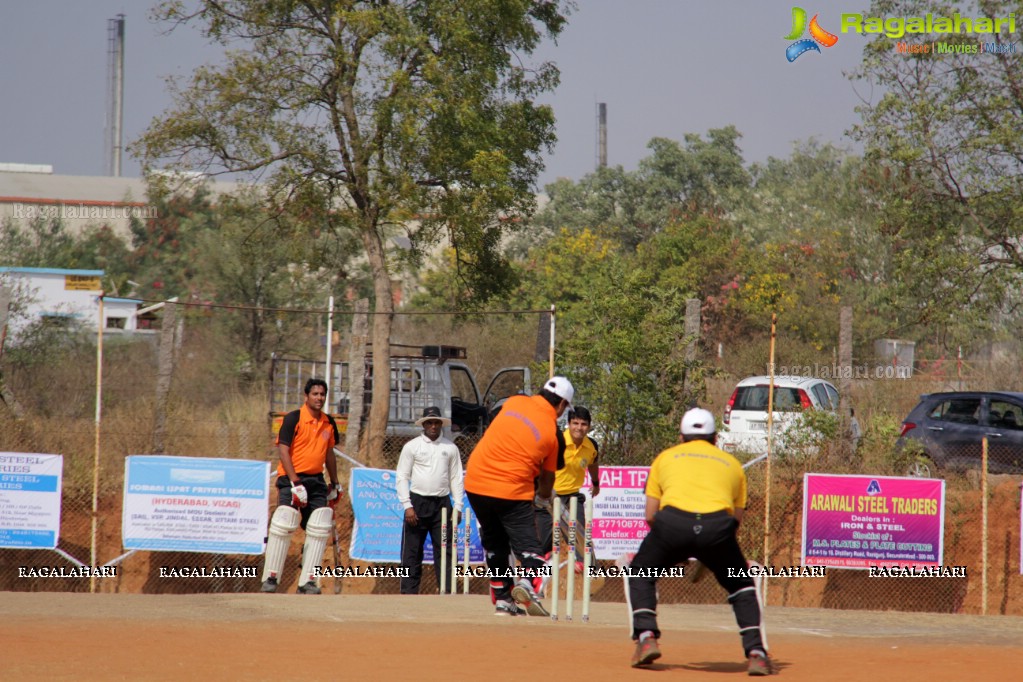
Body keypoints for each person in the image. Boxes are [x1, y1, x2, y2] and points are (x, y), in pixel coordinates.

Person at [627, 407, 771, 675]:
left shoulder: (665, 458)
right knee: (741, 586)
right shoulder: (733, 465)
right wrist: (709, 549)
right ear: (715, 438)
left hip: (671, 525)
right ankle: (756, 652)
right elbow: (735, 521)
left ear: (681, 438)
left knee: (641, 573)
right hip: (717, 528)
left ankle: (646, 637)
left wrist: (674, 546)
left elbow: (650, 515)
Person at [464, 376, 573, 617]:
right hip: (511, 489)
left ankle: (503, 600)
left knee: (495, 544)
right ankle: (525, 584)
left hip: (475, 482)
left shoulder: (514, 402)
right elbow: (547, 482)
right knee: (530, 549)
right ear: (563, 405)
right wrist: (544, 498)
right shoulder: (554, 434)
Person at [260, 378, 342, 595]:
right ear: (306, 396)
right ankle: (271, 578)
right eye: (315, 394)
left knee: (318, 527)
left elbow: (329, 453)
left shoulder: (328, 422)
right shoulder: (293, 419)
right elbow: (283, 450)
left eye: (322, 394)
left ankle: (308, 581)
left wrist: (335, 482)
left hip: (316, 481)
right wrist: (295, 482)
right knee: (284, 522)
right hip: (291, 479)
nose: (319, 398)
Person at [396, 406, 465, 594]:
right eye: (430, 422)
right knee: (411, 551)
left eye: (437, 422)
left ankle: (448, 592)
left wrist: (458, 505)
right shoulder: (412, 446)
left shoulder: (450, 447)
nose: (433, 426)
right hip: (417, 503)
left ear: (441, 424)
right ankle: (408, 593)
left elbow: (456, 478)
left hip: (442, 505)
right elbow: (402, 476)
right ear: (424, 424)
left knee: (446, 551)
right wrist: (407, 506)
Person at [537, 406, 600, 572]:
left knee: (581, 536)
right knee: (542, 542)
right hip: (548, 497)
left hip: (572, 497)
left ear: (589, 426)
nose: (579, 428)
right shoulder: (557, 441)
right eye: (575, 423)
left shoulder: (591, 445)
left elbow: (593, 463)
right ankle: (535, 580)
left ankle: (590, 572)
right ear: (569, 424)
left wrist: (596, 482)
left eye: (584, 424)